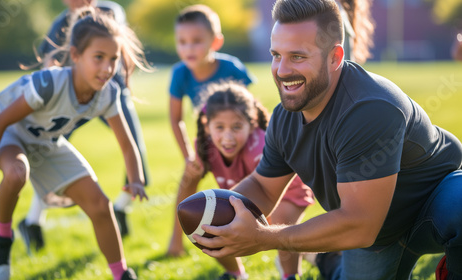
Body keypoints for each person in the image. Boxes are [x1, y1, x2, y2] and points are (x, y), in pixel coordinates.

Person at [192, 1, 462, 279]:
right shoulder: (284, 118)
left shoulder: (370, 108)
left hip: (430, 203)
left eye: (297, 56)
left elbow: (359, 224)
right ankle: (328, 262)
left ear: (335, 57)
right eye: (276, 55)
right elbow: (263, 186)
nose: (281, 70)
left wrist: (264, 238)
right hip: (374, 238)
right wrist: (214, 213)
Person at [0, 7, 152, 280]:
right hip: (10, 134)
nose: (107, 68)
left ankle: (122, 275)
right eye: (98, 57)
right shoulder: (49, 83)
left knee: (100, 205)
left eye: (113, 59)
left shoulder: (107, 94)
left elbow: (127, 144)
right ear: (75, 55)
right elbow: (1, 121)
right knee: (16, 172)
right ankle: (1, 240)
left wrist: (136, 179)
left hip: (46, 142)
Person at [18, 0, 148, 253]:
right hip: (74, 99)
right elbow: (49, 64)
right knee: (50, 155)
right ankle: (32, 221)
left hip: (110, 95)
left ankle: (121, 208)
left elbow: (112, 43)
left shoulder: (111, 12)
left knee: (134, 147)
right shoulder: (59, 25)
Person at [168, 81, 314, 280]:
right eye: (219, 127)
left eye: (237, 127)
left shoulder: (259, 146)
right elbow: (187, 192)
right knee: (208, 221)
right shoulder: (205, 147)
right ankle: (236, 274)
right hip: (244, 199)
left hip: (287, 193)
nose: (228, 137)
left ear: (251, 123)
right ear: (207, 125)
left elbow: (266, 191)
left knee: (281, 225)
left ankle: (290, 274)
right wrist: (177, 239)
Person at [169, 4, 255, 165]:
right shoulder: (179, 74)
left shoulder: (232, 68)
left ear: (215, 41)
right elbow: (175, 119)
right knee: (191, 173)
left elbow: (249, 110)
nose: (189, 49)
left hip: (240, 137)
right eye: (182, 42)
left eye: (197, 41)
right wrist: (188, 156)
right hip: (210, 138)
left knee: (248, 175)